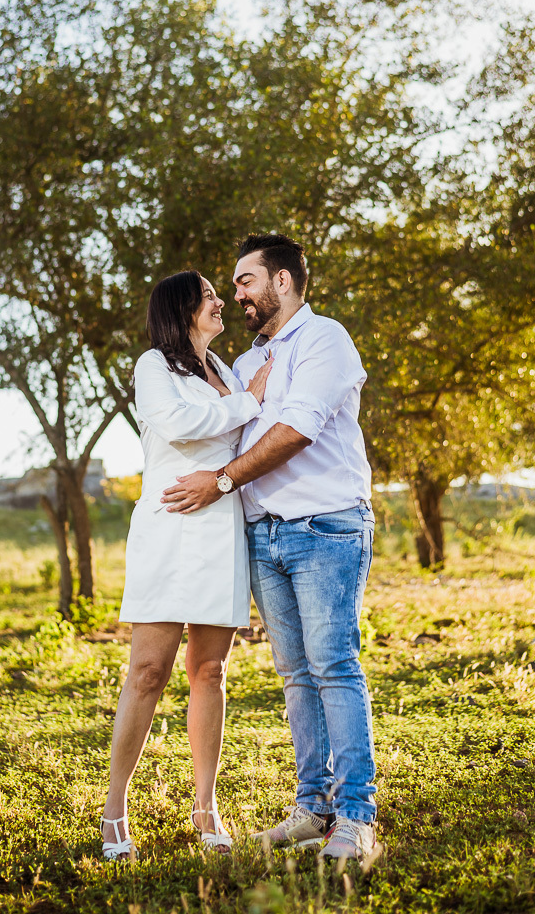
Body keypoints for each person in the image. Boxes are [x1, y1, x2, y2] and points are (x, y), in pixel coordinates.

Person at [161, 234, 377, 863]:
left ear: (282, 282)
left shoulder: (323, 340)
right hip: (266, 532)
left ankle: (356, 816)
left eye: (245, 281)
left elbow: (298, 430)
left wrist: (223, 482)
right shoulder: (249, 361)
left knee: (333, 665)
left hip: (325, 526)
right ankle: (313, 807)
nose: (237, 295)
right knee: (294, 674)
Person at [100, 269, 272, 861]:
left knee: (210, 672)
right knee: (148, 672)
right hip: (170, 526)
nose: (220, 302)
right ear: (181, 310)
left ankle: (206, 805)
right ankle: (115, 808)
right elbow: (177, 424)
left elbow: (244, 444)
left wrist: (223, 475)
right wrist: (250, 402)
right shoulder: (154, 367)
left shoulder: (225, 370)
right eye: (208, 297)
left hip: (221, 529)